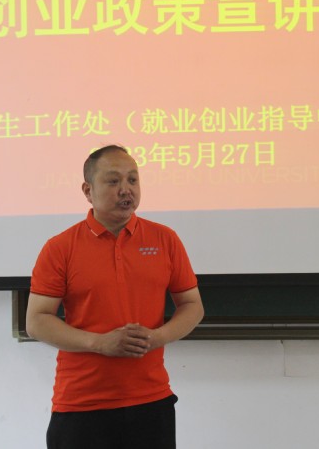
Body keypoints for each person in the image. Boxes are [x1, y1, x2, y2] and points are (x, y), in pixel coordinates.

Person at [26, 144, 204, 449]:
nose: (126, 189)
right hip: (81, 404)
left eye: (133, 180)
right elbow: (37, 321)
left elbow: (192, 306)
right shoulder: (60, 247)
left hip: (151, 401)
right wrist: (99, 343)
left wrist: (157, 337)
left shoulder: (165, 239)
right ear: (88, 190)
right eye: (113, 181)